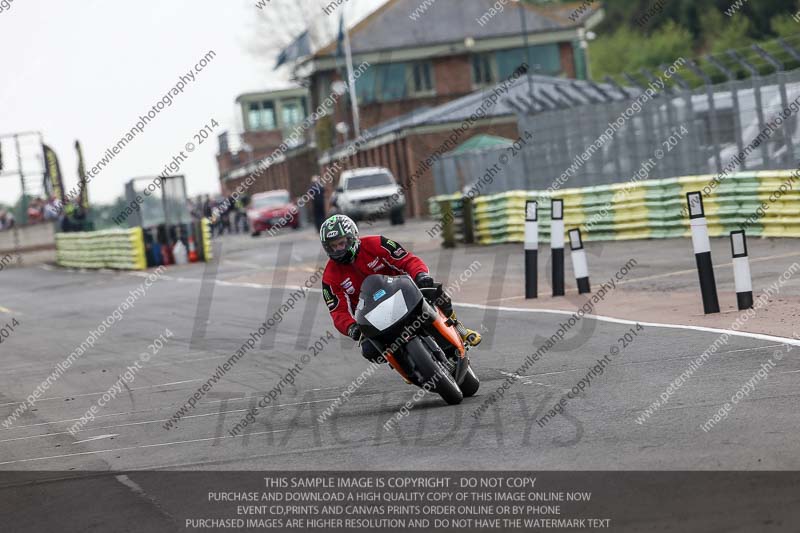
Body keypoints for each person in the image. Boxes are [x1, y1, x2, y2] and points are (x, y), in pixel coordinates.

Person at [320, 214, 481, 363]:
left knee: (434, 291)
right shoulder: (329, 276)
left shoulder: (377, 243)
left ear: (352, 237)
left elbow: (407, 260)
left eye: (341, 243)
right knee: (369, 350)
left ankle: (458, 328)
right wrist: (351, 327)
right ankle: (404, 363)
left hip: (403, 293)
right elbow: (337, 312)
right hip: (372, 316)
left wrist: (420, 275)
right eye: (333, 246)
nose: (338, 250)